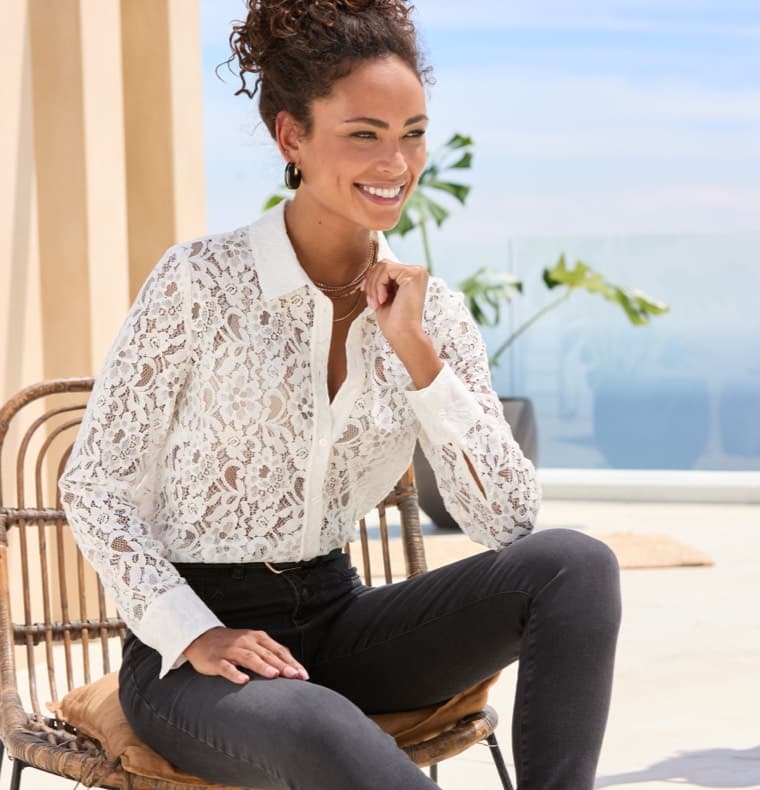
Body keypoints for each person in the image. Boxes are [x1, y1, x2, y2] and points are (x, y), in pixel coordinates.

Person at [59, 1, 622, 788]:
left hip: (340, 618)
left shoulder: (429, 314)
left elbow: (507, 524)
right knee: (319, 721)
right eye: (364, 134)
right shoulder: (198, 284)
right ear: (292, 137)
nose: (396, 162)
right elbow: (95, 484)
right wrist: (192, 632)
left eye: (412, 132)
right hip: (197, 654)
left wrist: (419, 356)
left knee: (575, 565)